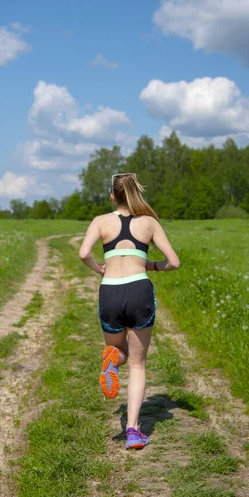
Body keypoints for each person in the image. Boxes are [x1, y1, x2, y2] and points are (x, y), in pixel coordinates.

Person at [79, 173, 180, 449]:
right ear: (136, 192)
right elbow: (174, 262)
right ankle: (134, 431)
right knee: (137, 363)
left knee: (119, 352)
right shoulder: (149, 223)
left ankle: (112, 360)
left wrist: (100, 268)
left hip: (110, 290)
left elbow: (83, 253)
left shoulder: (101, 222)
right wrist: (151, 266)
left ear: (113, 196)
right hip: (138, 291)